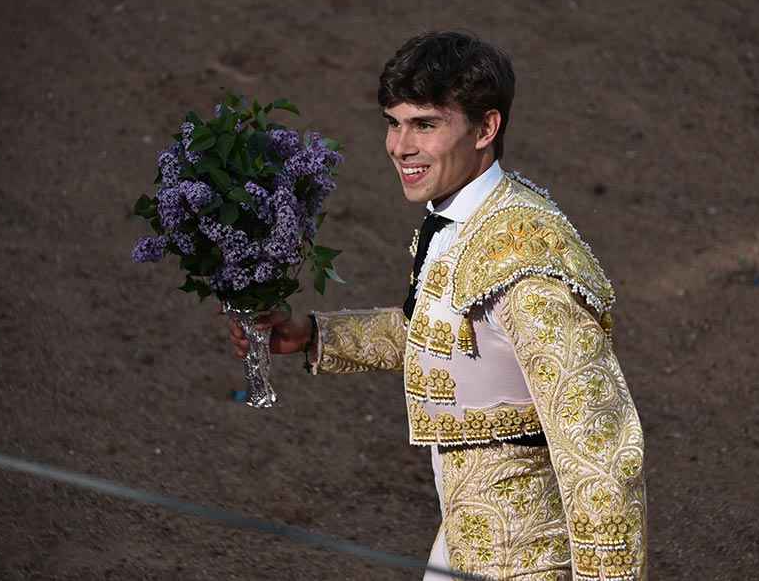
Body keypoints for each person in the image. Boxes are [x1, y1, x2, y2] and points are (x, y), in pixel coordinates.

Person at [227, 31, 647, 581]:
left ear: (486, 128)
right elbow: (443, 336)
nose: (400, 146)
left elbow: (600, 450)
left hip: (527, 562)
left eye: (424, 124)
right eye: (393, 122)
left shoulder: (527, 261)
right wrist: (313, 336)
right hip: (466, 541)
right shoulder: (462, 219)